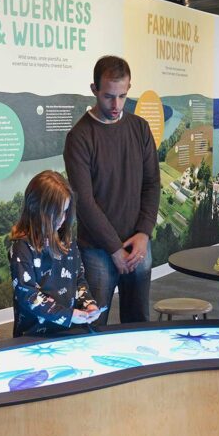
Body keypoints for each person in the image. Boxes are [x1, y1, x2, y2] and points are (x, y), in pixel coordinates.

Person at [63, 55, 160, 325]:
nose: (116, 105)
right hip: (97, 250)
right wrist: (115, 249)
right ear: (94, 90)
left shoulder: (140, 128)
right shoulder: (80, 137)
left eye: (122, 96)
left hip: (138, 245)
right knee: (93, 326)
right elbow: (83, 202)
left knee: (138, 322)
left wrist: (144, 233)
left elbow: (152, 184)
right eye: (108, 97)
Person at [9, 170, 101, 337]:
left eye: (65, 211)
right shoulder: (22, 248)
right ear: (36, 209)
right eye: (56, 213)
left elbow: (78, 280)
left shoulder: (67, 241)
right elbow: (28, 296)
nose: (62, 219)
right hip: (34, 335)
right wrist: (69, 315)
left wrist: (89, 304)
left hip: (70, 330)